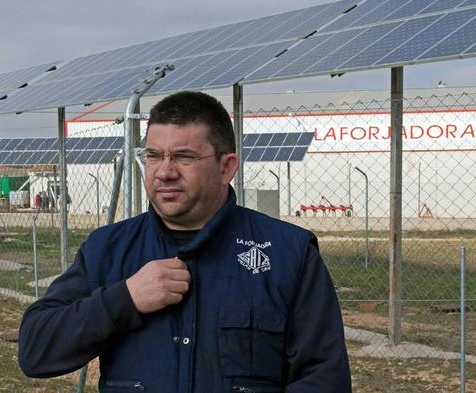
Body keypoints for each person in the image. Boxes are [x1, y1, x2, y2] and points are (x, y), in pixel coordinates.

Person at [18, 91, 351, 393]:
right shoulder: (107, 249)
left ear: (226, 167)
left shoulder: (288, 253)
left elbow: (324, 378)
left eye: (184, 157)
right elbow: (36, 351)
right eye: (153, 156)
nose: (164, 171)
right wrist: (125, 299)